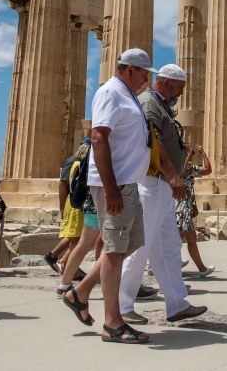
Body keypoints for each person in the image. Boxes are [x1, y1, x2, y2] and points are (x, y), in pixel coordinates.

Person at [63, 49, 158, 343]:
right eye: (144, 73)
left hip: (128, 182)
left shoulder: (126, 95)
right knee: (115, 252)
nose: (146, 80)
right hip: (114, 184)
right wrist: (111, 187)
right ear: (129, 69)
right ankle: (112, 323)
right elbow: (99, 137)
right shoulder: (110, 92)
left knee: (132, 243)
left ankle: (80, 292)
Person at [119, 63, 206, 326]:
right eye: (179, 88)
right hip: (152, 183)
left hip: (162, 187)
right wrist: (173, 174)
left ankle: (177, 304)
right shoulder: (149, 103)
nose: (181, 93)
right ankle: (122, 305)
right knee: (140, 245)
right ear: (166, 82)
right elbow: (153, 141)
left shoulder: (162, 105)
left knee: (168, 246)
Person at [45, 144, 88, 274]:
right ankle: (58, 258)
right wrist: (62, 206)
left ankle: (65, 262)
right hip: (77, 203)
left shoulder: (76, 164)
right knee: (76, 236)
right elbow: (63, 184)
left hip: (75, 202)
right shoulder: (77, 164)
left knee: (78, 236)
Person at [177, 141, 213, 276]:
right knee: (177, 241)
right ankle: (159, 267)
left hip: (176, 205)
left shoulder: (174, 166)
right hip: (183, 207)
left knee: (190, 239)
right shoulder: (188, 168)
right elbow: (208, 170)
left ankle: (202, 269)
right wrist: (203, 154)